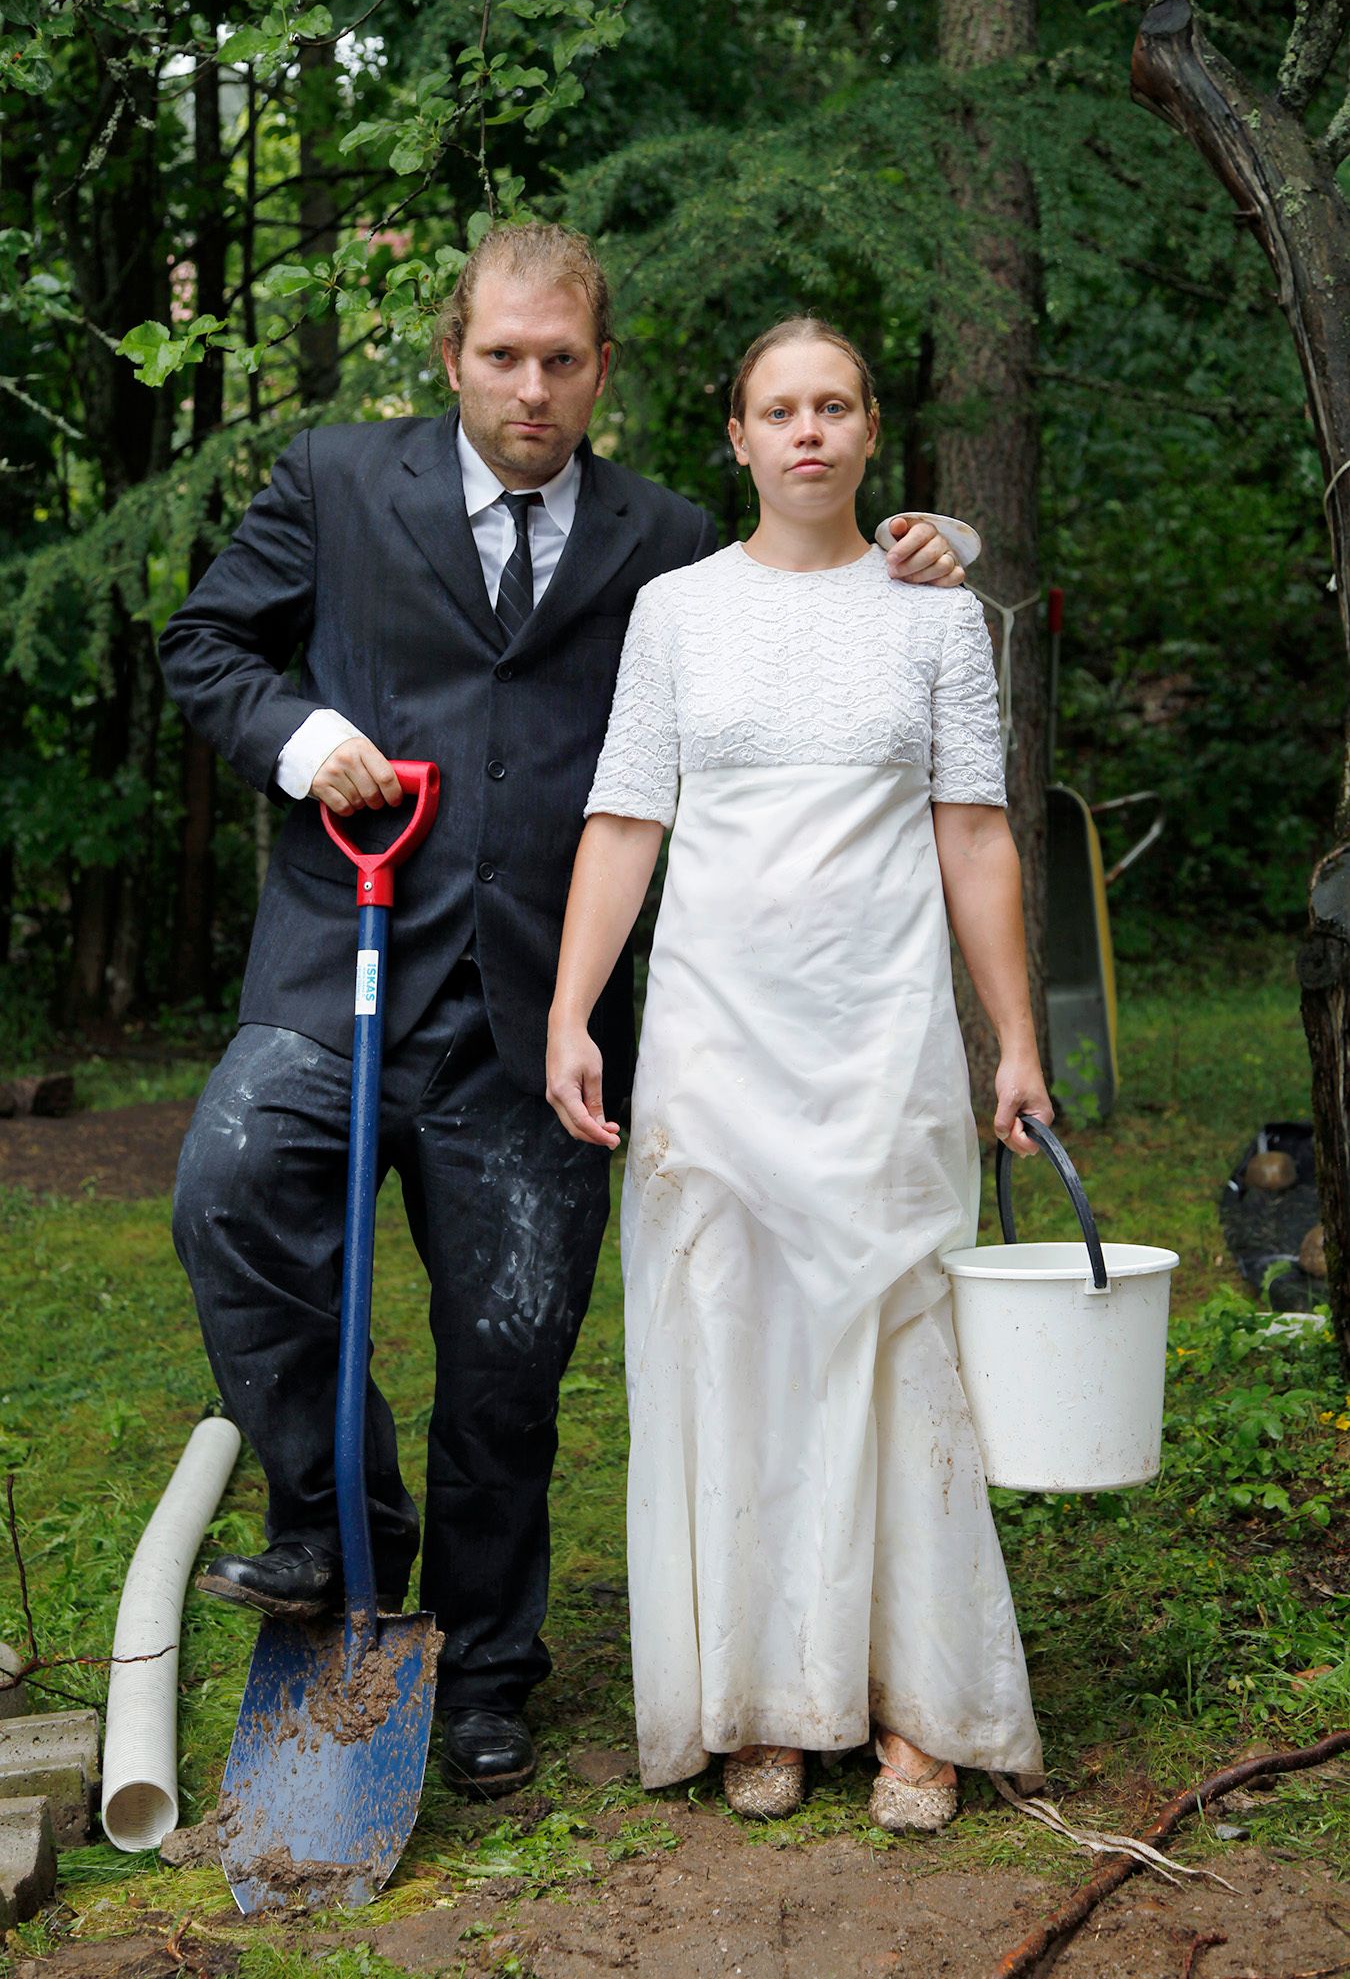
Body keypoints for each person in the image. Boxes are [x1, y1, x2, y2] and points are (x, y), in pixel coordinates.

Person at [159, 223, 975, 1803]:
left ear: (601, 371)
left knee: (510, 1349)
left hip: (540, 1005)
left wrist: (937, 548)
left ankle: (483, 1665)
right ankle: (334, 1520)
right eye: (500, 357)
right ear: (452, 357)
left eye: (559, 361)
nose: (528, 387)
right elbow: (206, 642)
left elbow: (801, 594)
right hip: (342, 966)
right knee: (230, 1191)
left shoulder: (660, 538)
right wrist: (300, 736)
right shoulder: (336, 481)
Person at [546, 315, 1050, 1831]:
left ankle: (915, 1707)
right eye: (781, 409)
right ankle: (761, 1697)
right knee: (732, 1345)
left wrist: (1017, 1039)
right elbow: (624, 821)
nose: (809, 431)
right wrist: (574, 1013)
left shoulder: (935, 620)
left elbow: (975, 831)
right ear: (740, 436)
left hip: (882, 1044)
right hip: (714, 1045)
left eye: (834, 405)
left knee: (896, 1350)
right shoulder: (676, 612)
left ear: (871, 428)